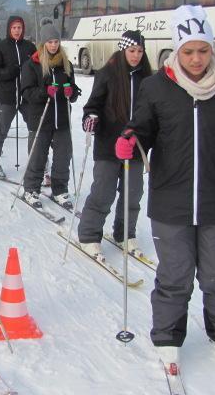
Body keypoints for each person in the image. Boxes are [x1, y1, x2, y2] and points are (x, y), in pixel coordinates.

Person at [115, 5, 215, 366]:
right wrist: (130, 136)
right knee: (175, 274)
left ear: (212, 48)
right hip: (170, 199)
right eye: (188, 51)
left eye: (203, 50)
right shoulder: (157, 87)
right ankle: (168, 335)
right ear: (176, 49)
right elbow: (143, 127)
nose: (197, 58)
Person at [77, 30, 152, 260]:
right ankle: (89, 235)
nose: (136, 55)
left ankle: (124, 233)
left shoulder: (147, 78)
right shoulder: (108, 73)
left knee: (133, 193)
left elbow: (152, 112)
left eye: (140, 51)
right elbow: (93, 105)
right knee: (103, 192)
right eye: (132, 51)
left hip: (135, 146)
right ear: (123, 50)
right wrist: (91, 118)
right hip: (109, 145)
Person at [20, 21, 80, 209]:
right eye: (50, 42)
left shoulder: (66, 64)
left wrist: (72, 93)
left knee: (63, 156)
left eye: (56, 42)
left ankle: (60, 190)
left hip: (62, 119)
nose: (53, 45)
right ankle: (31, 189)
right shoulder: (33, 64)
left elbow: (73, 88)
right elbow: (26, 92)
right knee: (38, 156)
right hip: (40, 119)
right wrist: (45, 92)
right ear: (43, 43)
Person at [0, 15, 36, 177]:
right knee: (1, 130)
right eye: (14, 28)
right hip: (7, 96)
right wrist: (9, 72)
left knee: (35, 127)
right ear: (9, 29)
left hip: (26, 96)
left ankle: (37, 160)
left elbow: (37, 68)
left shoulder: (29, 47)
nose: (17, 31)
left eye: (19, 28)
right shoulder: (1, 47)